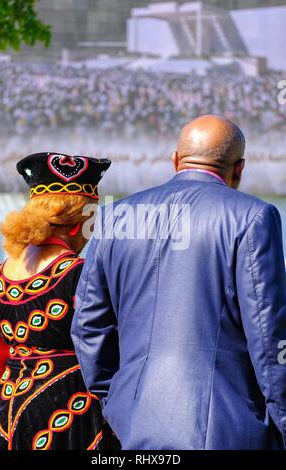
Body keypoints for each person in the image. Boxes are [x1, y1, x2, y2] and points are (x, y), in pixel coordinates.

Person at [72, 115, 286, 450]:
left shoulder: (116, 217)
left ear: (176, 160)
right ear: (240, 168)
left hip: (133, 426)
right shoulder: (254, 217)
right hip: (228, 431)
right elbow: (270, 337)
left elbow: (87, 326)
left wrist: (117, 401)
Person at [0, 152, 114, 450]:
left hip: (5, 409)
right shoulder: (80, 274)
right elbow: (107, 352)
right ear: (77, 224)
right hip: (69, 410)